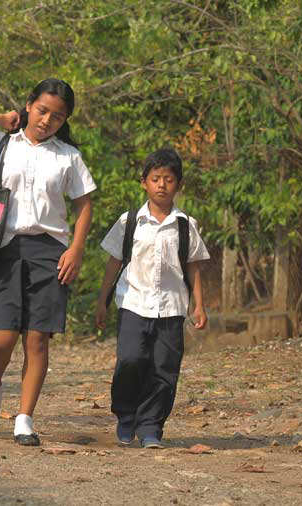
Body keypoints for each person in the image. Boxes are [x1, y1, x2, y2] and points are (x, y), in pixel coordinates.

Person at [0, 78, 95, 446]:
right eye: (42, 110)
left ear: (66, 121)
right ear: (29, 106)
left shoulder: (68, 156)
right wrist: (2, 117)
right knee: (1, 339)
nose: (48, 120)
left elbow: (84, 205)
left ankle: (24, 418)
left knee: (37, 341)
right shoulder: (2, 145)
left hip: (51, 251)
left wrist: (76, 249)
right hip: (4, 248)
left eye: (58, 116)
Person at [95, 148, 209, 448]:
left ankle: (150, 427)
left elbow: (193, 265)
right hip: (133, 303)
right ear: (144, 182)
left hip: (171, 308)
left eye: (168, 179)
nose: (162, 185)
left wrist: (198, 304)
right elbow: (114, 262)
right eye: (155, 178)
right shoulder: (130, 221)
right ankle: (126, 415)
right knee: (131, 360)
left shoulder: (186, 225)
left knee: (164, 369)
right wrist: (102, 301)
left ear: (178, 185)